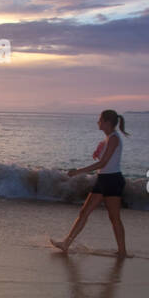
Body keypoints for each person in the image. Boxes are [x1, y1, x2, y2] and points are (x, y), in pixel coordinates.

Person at [51, 109, 128, 257]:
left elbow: (103, 163)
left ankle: (123, 251)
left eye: (100, 120)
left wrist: (78, 171)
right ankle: (66, 243)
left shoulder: (114, 138)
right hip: (102, 179)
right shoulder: (107, 139)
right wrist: (99, 151)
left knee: (114, 217)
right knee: (84, 212)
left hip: (112, 180)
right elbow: (103, 161)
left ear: (107, 122)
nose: (97, 122)